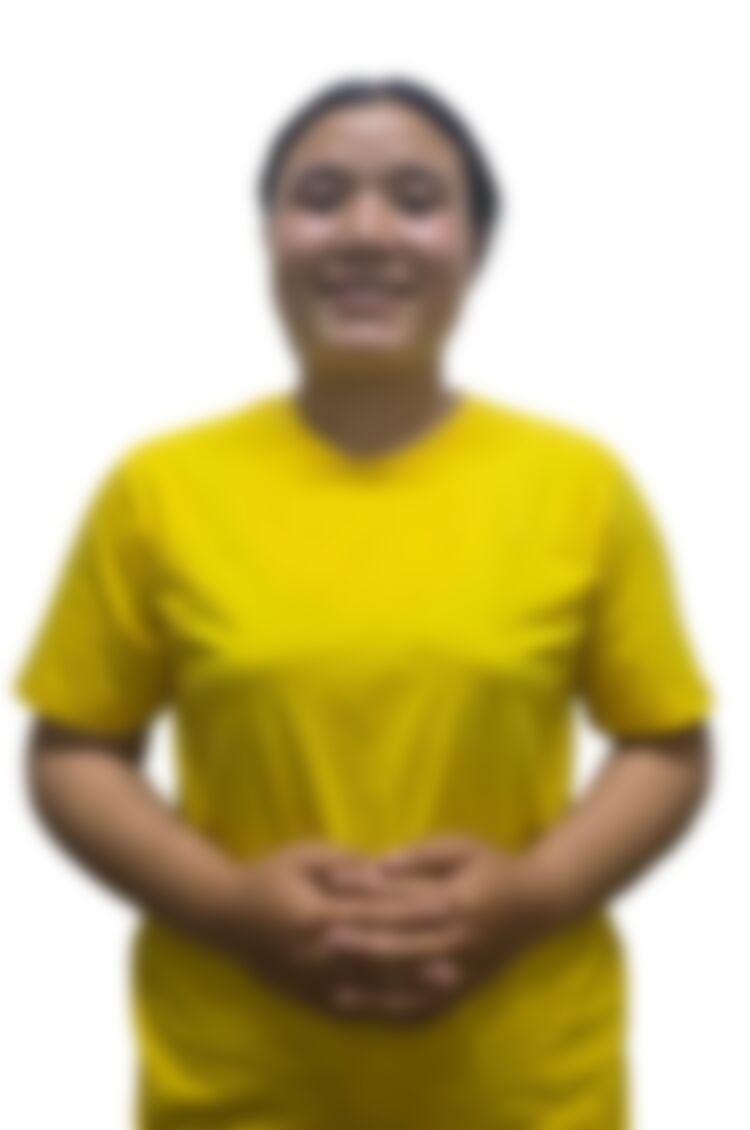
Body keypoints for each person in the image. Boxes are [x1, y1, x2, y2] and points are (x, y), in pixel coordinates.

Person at [11, 75, 716, 1129]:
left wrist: (535, 895)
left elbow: (665, 742)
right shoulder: (159, 489)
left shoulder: (580, 486)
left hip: (519, 1084)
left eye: (418, 200)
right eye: (322, 196)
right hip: (241, 1082)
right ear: (269, 237)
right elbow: (75, 747)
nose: (367, 232)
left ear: (476, 246)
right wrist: (227, 905)